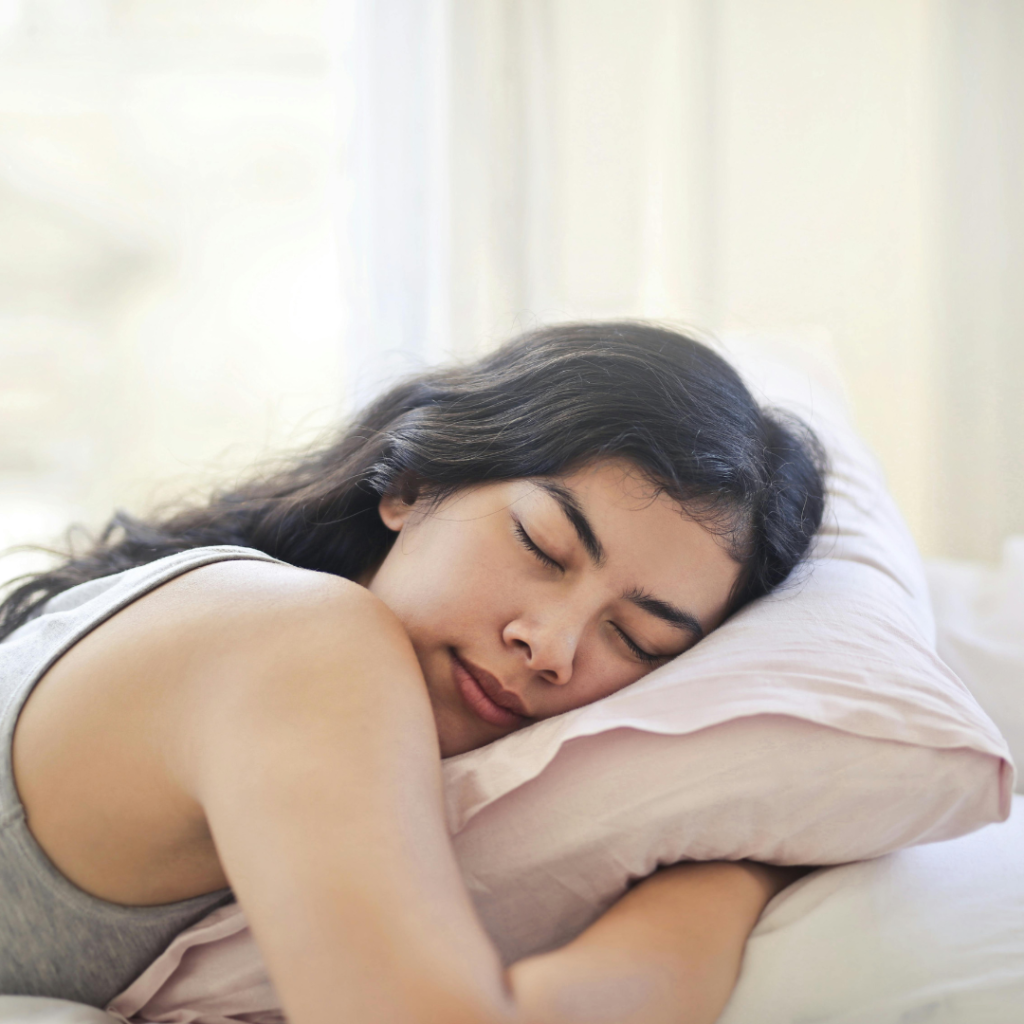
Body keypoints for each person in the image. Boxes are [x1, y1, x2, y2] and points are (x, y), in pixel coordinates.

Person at [0, 322, 826, 1024]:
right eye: (542, 546)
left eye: (638, 639)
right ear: (412, 482)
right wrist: (732, 874)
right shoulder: (300, 639)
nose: (552, 647)